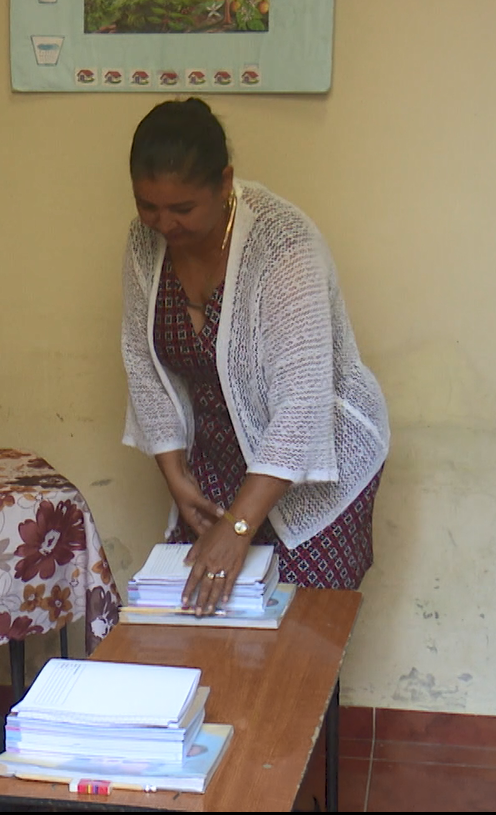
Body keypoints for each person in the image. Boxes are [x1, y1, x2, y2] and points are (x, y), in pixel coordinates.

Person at [119, 98, 390, 616]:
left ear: (224, 183)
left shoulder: (283, 243)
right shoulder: (143, 241)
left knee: (298, 630)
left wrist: (239, 525)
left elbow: (303, 404)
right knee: (203, 616)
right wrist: (175, 474)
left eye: (182, 210)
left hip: (318, 469)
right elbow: (142, 362)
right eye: (148, 206)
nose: (164, 224)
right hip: (220, 459)